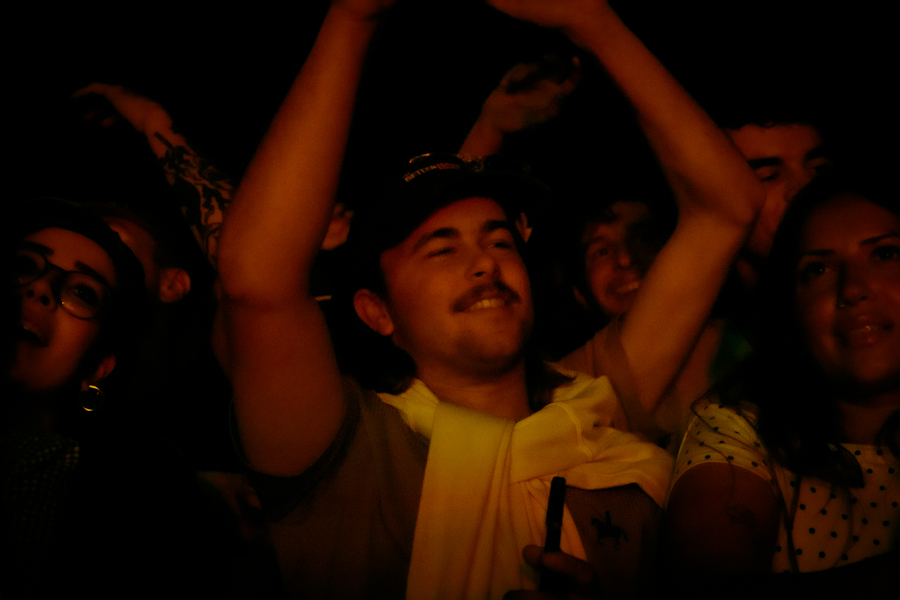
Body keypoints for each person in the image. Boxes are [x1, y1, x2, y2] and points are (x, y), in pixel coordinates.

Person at [216, 0, 762, 597]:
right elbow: (256, 282)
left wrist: (592, 21)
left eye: (499, 240)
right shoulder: (347, 454)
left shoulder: (595, 403)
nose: (484, 263)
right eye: (441, 250)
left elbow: (728, 206)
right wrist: (352, 18)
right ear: (377, 311)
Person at [665, 171, 898, 594]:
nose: (853, 289)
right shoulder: (738, 429)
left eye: (884, 254)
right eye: (819, 269)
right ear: (791, 305)